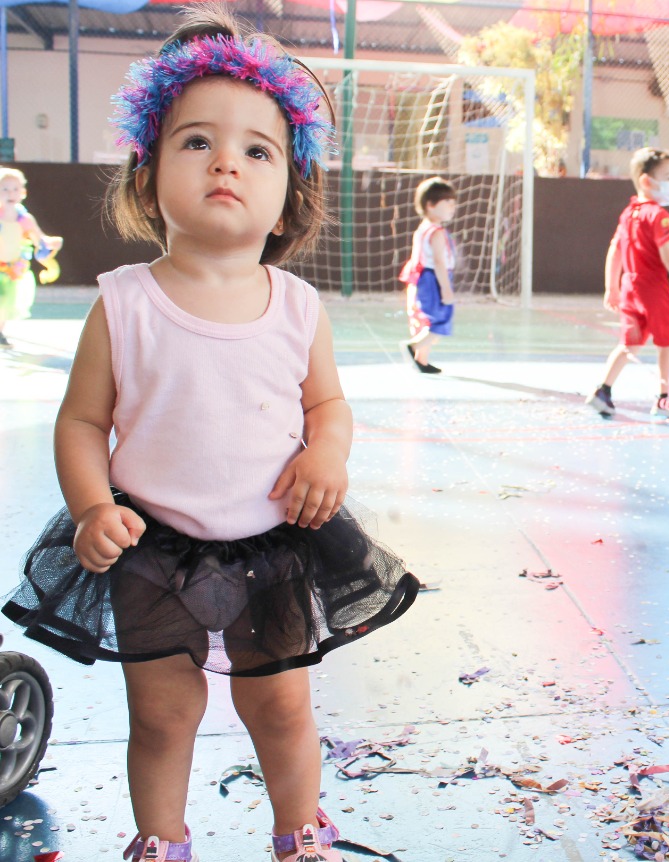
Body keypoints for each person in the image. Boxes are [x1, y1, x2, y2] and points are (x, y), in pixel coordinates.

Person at [0, 7, 419, 862]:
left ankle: (299, 834)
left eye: (256, 150)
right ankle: (161, 839)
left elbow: (328, 405)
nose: (226, 160)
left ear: (286, 196)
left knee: (283, 707)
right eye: (196, 142)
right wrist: (89, 505)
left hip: (276, 544)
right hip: (150, 546)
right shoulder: (123, 303)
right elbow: (81, 420)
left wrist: (326, 451)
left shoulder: (297, 307)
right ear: (148, 177)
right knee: (161, 713)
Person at [587, 147, 669, 419]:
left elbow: (616, 250)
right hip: (654, 290)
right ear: (647, 181)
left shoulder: (629, 214)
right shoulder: (658, 216)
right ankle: (665, 397)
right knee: (667, 343)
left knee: (629, 344)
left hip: (630, 289)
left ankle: (603, 390)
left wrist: (612, 287)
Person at [0, 167, 63, 347]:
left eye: (15, 189)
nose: (10, 193)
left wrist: (51, 243)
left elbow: (38, 238)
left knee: (4, 303)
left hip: (11, 268)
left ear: (23, 193)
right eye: (4, 189)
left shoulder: (25, 219)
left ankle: (0, 331)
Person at [401, 176, 456, 374]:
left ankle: (421, 360)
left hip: (422, 278)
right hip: (433, 280)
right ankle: (414, 347)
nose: (452, 206)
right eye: (447, 202)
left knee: (427, 321)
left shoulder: (422, 228)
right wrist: (446, 290)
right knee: (441, 320)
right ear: (431, 205)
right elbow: (440, 263)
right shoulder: (437, 232)